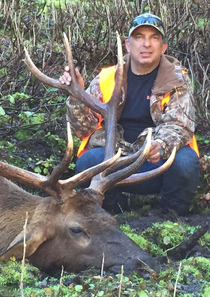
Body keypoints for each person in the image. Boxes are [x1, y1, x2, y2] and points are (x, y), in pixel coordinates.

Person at [59, 13, 199, 215]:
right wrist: (77, 96)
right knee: (88, 163)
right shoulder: (107, 78)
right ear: (127, 45)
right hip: (115, 161)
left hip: (155, 163)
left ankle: (171, 218)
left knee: (185, 162)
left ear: (163, 47)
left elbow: (179, 125)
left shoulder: (177, 80)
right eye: (139, 37)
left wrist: (161, 145)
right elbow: (83, 130)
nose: (146, 44)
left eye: (154, 38)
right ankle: (114, 212)